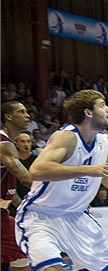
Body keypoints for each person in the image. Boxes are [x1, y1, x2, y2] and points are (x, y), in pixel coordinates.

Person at [15, 90, 108, 271]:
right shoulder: (67, 137)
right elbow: (37, 171)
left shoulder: (105, 140)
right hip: (42, 215)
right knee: (51, 269)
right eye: (102, 105)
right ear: (88, 113)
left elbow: (107, 177)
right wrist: (89, 170)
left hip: (76, 216)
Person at [1, 101, 32, 271]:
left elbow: (11, 192)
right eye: (22, 112)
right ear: (8, 116)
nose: (27, 115)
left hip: (3, 216)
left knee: (20, 255)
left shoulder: (8, 143)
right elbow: (25, 178)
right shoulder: (3, 144)